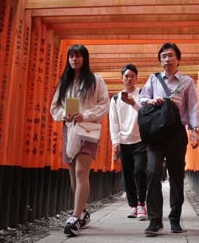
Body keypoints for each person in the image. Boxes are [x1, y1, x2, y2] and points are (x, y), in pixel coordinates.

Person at [139, 43, 199, 236]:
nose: (167, 59)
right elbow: (142, 99)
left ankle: (175, 218)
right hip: (155, 134)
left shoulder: (187, 82)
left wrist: (194, 130)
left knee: (176, 175)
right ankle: (155, 220)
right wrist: (151, 101)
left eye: (170, 55)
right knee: (153, 171)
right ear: (160, 60)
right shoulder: (153, 79)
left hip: (176, 133)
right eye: (163, 56)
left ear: (178, 59)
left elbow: (193, 107)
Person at [50, 44, 110, 237]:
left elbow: (104, 104)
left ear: (85, 58)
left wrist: (85, 114)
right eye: (71, 57)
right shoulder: (65, 83)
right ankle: (83, 212)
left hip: (88, 130)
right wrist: (64, 116)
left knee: (81, 171)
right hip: (70, 130)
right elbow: (55, 107)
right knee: (73, 175)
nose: (74, 60)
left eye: (78, 56)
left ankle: (75, 217)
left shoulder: (96, 80)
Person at [109, 64, 148, 220]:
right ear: (122, 79)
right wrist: (115, 141)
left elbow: (146, 113)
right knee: (127, 174)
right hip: (124, 142)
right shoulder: (116, 99)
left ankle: (141, 204)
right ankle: (133, 206)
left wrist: (134, 103)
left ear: (136, 78)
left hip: (140, 140)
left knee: (139, 171)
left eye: (132, 75)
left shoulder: (142, 94)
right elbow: (114, 122)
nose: (129, 78)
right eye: (126, 76)